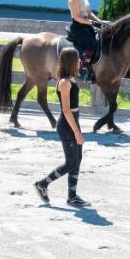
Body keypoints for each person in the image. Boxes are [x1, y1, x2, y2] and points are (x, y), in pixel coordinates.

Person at [34, 47, 89, 208]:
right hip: (67, 125)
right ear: (71, 61)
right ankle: (43, 184)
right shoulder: (64, 83)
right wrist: (77, 132)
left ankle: (72, 197)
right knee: (71, 162)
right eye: (77, 59)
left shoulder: (71, 79)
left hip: (73, 122)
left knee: (77, 160)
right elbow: (66, 110)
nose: (80, 62)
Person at [67, 0, 104, 81]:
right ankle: (82, 69)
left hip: (86, 24)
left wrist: (101, 22)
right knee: (91, 45)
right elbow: (77, 16)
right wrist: (92, 23)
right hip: (78, 26)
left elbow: (89, 13)